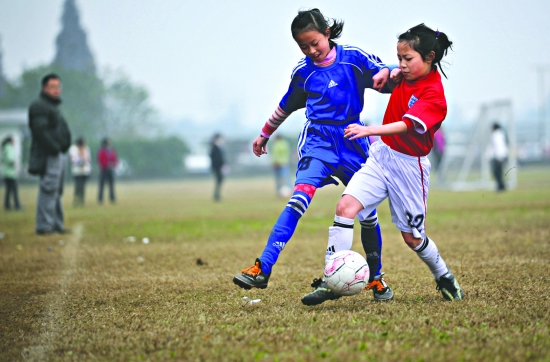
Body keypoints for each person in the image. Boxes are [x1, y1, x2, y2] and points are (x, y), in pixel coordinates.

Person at [232, 9, 398, 305]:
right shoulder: (303, 72)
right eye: (303, 46)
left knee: (367, 213)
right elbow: (285, 106)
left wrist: (389, 73)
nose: (310, 50)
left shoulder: (353, 58)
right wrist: (264, 134)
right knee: (297, 200)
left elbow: (382, 74)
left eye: (314, 43)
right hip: (318, 142)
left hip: (353, 139)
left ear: (328, 32)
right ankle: (262, 267)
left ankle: (376, 277)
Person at [329, 24, 463, 302]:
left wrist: (369, 130)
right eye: (399, 58)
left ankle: (443, 275)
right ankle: (330, 279)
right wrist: (386, 70)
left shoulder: (434, 94)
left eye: (407, 59)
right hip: (382, 158)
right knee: (345, 208)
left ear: (430, 56)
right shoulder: (404, 73)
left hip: (409, 167)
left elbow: (405, 125)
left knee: (412, 239)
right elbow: (391, 71)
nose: (401, 64)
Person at [28, 73, 71, 235]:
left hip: (57, 153)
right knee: (49, 189)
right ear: (43, 88)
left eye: (58, 87)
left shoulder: (52, 107)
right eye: (52, 87)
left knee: (56, 190)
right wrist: (54, 147)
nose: (56, 90)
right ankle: (44, 226)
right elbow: (40, 131)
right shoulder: (39, 106)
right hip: (49, 154)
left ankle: (56, 225)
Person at [68, 137, 91, 206]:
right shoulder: (73, 149)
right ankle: (76, 201)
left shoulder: (86, 149)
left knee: (83, 187)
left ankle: (81, 201)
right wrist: (82, 160)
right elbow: (73, 161)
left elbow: (88, 160)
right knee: (78, 186)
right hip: (77, 172)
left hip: (84, 171)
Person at [1, 136, 22, 211]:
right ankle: (17, 205)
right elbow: (10, 159)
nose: (14, 142)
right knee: (14, 190)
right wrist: (14, 162)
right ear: (10, 141)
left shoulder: (4, 148)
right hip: (10, 174)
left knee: (8, 191)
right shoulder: (9, 148)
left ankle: (7, 206)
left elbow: (2, 160)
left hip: (6, 173)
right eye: (13, 141)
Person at [97, 137, 118, 204]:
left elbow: (115, 159)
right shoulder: (102, 151)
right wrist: (106, 165)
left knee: (111, 185)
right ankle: (100, 199)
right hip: (104, 170)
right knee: (102, 185)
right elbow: (100, 159)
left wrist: (113, 164)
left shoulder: (112, 150)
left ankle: (112, 199)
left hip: (111, 169)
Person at [490, 122, 508, 192]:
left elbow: (499, 146)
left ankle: (501, 186)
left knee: (497, 172)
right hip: (498, 156)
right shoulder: (498, 134)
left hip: (499, 156)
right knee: (497, 172)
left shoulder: (497, 135)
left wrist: (499, 157)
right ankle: (501, 185)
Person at [209, 133, 226, 201]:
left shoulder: (217, 147)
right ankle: (216, 196)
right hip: (217, 168)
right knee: (219, 180)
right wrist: (220, 165)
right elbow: (216, 158)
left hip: (219, 167)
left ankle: (217, 195)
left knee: (219, 181)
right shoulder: (214, 148)